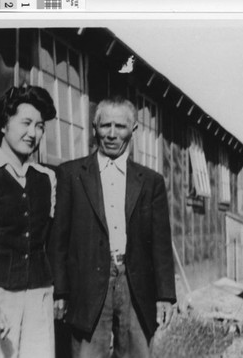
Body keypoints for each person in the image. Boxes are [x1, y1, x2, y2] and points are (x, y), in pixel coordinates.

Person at [48, 96, 176, 358]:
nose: (112, 134)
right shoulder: (71, 174)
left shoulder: (151, 182)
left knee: (137, 352)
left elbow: (161, 243)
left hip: (135, 282)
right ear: (94, 128)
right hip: (86, 283)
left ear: (134, 130)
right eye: (105, 125)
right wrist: (60, 290)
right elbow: (58, 239)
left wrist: (165, 295)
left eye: (120, 126)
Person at [0, 85, 57, 358]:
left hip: (40, 295)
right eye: (26, 123)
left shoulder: (47, 179)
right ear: (3, 124)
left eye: (40, 126)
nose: (33, 133)